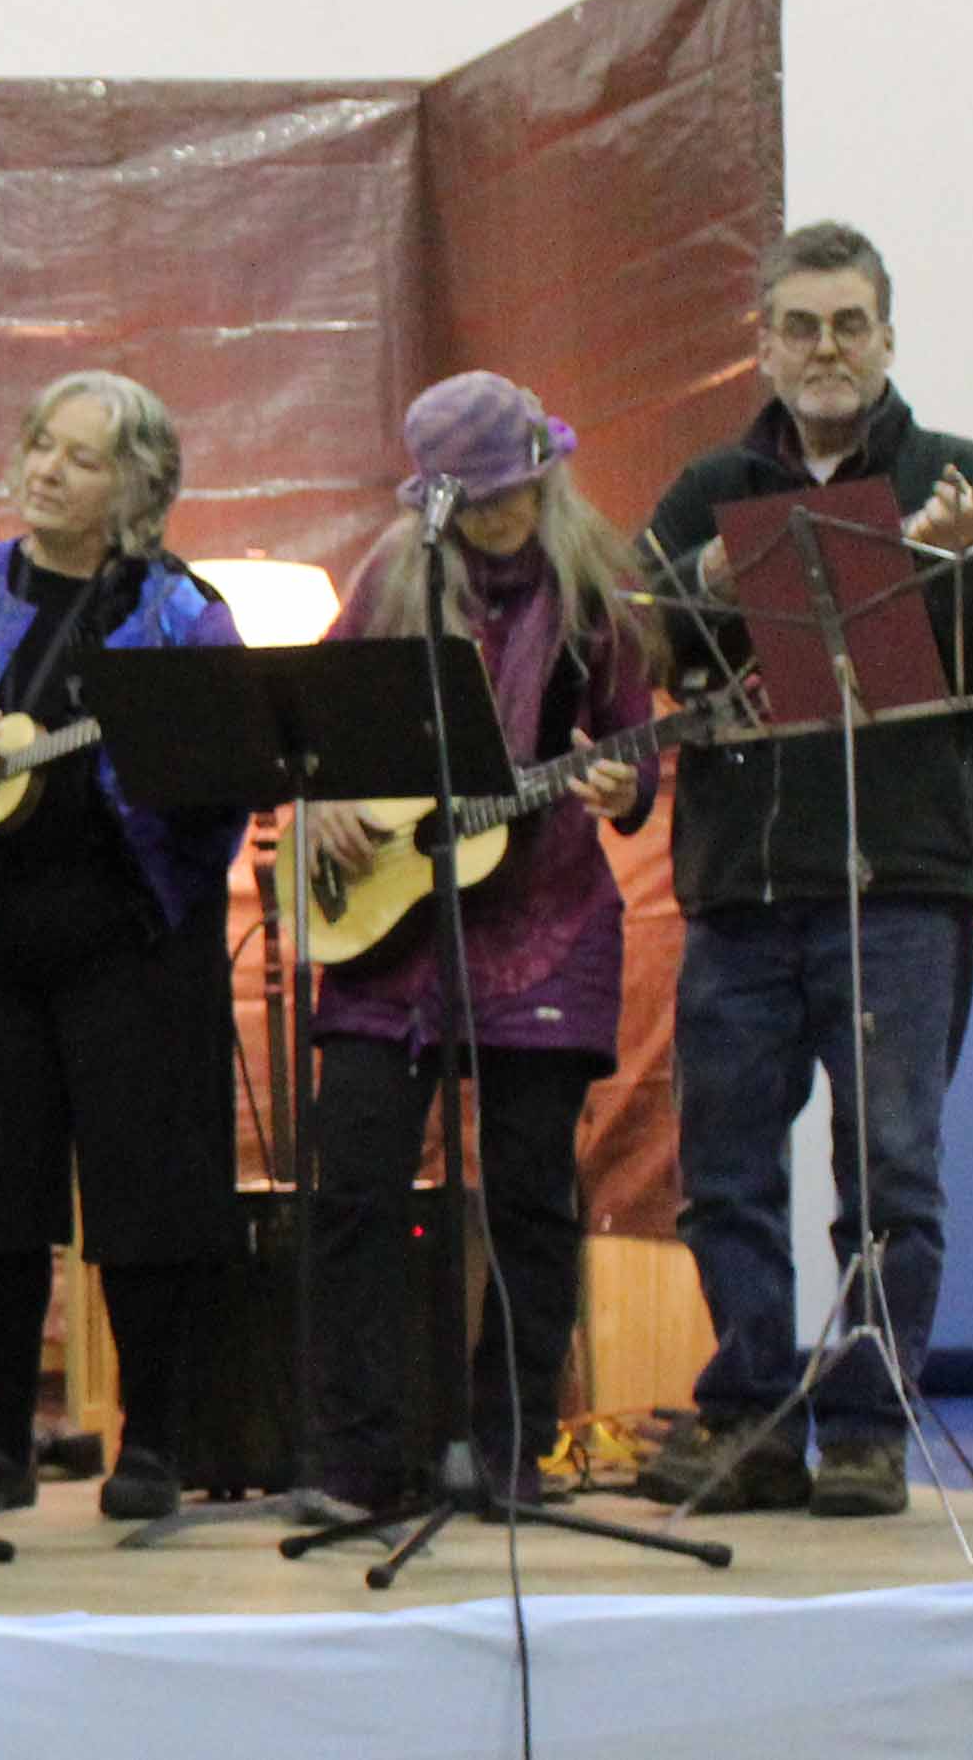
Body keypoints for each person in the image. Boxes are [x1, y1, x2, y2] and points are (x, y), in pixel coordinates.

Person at [632, 221, 973, 1518]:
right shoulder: (706, 484)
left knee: (889, 1173)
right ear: (761, 343)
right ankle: (753, 1419)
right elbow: (651, 647)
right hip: (740, 887)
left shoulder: (962, 472)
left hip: (900, 883)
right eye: (799, 326)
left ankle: (865, 1424)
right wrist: (707, 579)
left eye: (848, 324)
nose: (824, 349)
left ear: (885, 336)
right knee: (724, 1172)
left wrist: (954, 560)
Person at [0, 372, 246, 1520]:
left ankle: (154, 1447)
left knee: (145, 1195)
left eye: (78, 457)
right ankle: (3, 1442)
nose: (45, 470)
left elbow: (220, 780)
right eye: (38, 444)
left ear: (136, 486)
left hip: (133, 936)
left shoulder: (182, 615)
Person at [303, 371, 661, 1508]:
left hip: (547, 917)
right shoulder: (388, 579)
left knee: (529, 1193)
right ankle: (358, 1456)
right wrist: (320, 805)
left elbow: (638, 745)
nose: (508, 513)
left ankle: (509, 1450)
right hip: (389, 928)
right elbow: (310, 728)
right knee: (354, 1182)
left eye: (520, 489)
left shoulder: (594, 590)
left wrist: (622, 784)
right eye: (483, 497)